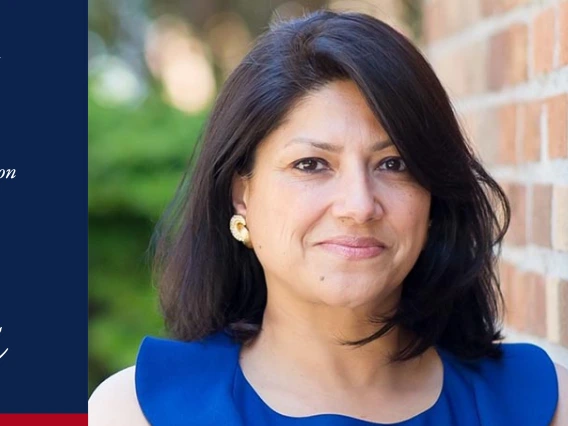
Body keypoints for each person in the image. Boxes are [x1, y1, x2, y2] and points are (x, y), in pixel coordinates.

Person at [89, 10, 567, 425]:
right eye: (311, 165)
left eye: (394, 164)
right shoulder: (136, 413)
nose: (359, 205)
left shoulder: (541, 406)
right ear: (241, 195)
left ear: (432, 195)